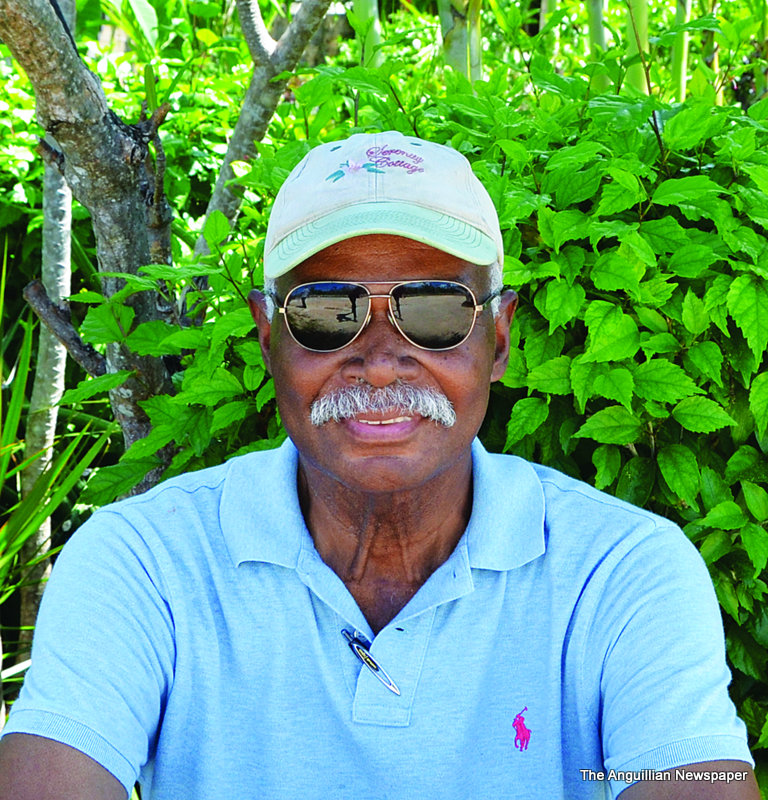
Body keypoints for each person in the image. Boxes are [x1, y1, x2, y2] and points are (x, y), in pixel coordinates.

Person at [0, 131, 759, 800]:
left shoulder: (624, 575)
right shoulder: (144, 565)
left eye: (434, 309)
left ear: (497, 339)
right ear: (270, 341)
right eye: (328, 310)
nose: (382, 359)